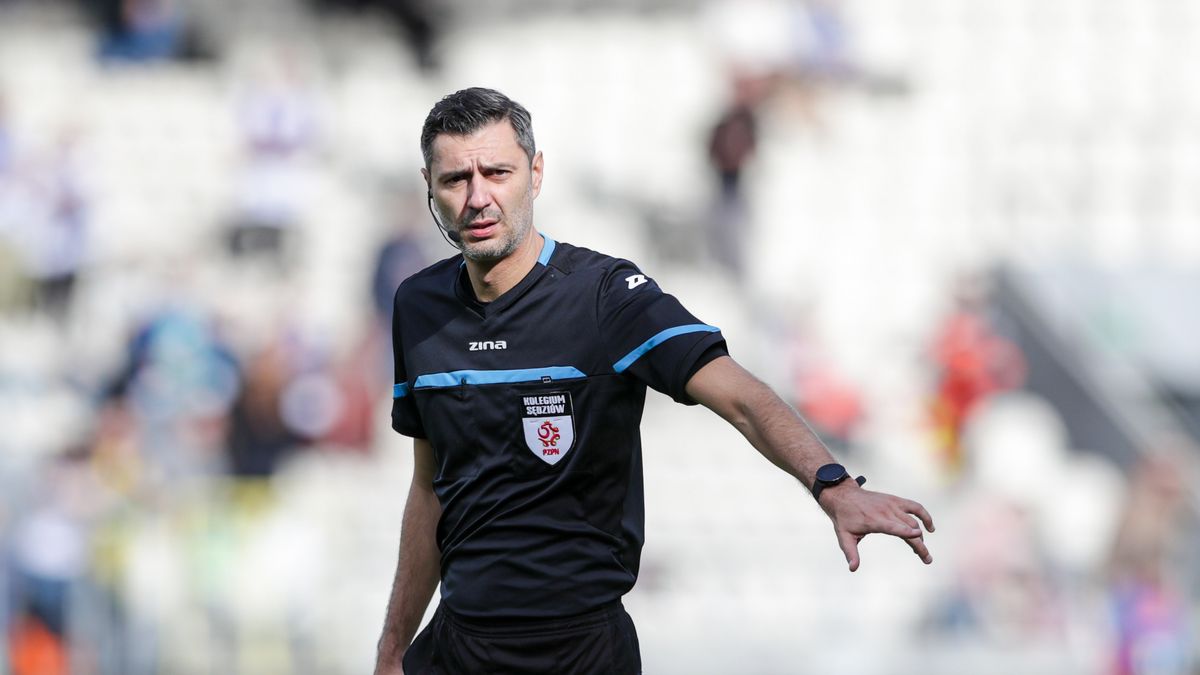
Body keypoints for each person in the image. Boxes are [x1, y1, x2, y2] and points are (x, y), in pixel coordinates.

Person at [375, 87, 935, 675]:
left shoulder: (605, 296)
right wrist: (391, 650)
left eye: (497, 172)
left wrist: (834, 487)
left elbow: (742, 398)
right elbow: (429, 486)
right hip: (458, 647)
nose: (477, 197)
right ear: (429, 187)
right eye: (456, 179)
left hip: (581, 652)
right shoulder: (418, 305)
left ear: (535, 174)